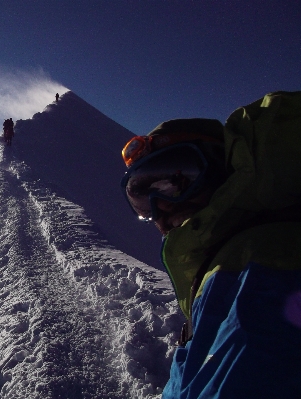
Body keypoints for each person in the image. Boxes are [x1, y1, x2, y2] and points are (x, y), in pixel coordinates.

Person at [120, 91, 301, 398]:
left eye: (177, 182)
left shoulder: (255, 265)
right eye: (142, 200)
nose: (159, 210)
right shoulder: (221, 264)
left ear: (222, 169)